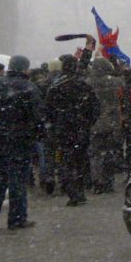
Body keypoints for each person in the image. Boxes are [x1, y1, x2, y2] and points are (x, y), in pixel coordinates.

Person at [0, 55, 46, 230]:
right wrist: (38, 134)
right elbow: (37, 116)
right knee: (18, 178)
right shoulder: (29, 88)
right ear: (24, 68)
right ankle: (17, 217)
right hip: (20, 138)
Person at [45, 55, 100, 207]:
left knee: (63, 161)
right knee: (80, 160)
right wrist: (88, 122)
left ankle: (71, 190)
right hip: (81, 129)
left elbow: (48, 111)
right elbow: (95, 108)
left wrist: (54, 125)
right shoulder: (84, 86)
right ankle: (80, 190)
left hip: (62, 130)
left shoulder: (55, 87)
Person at [86, 57, 123, 194]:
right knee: (110, 153)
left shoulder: (88, 83)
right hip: (112, 122)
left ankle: (97, 181)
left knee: (95, 155)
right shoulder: (116, 82)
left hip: (94, 123)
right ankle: (108, 181)